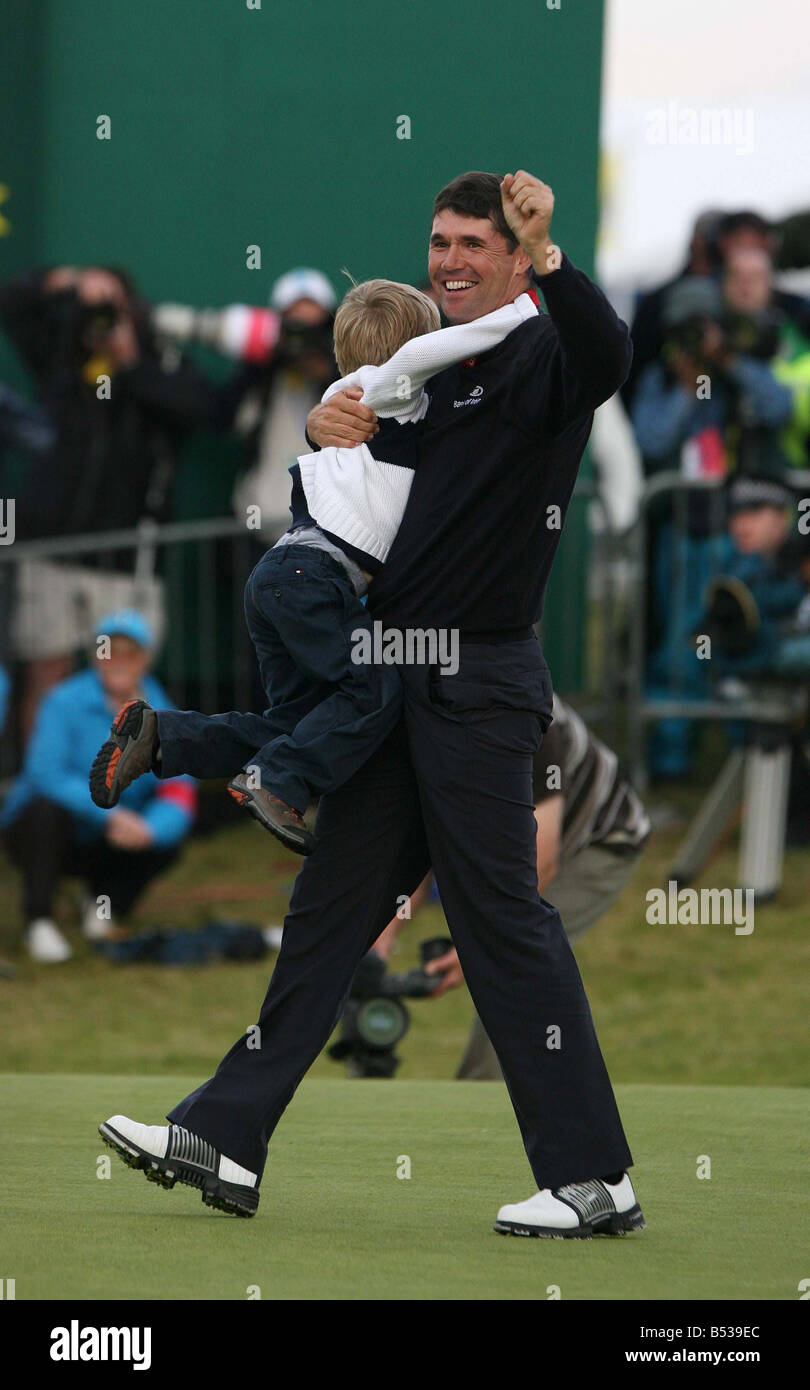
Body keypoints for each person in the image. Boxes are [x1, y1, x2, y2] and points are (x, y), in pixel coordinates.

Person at [96, 169, 644, 1241]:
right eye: (439, 243)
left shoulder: (541, 353)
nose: (449, 261)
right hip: (395, 681)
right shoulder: (423, 373)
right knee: (330, 919)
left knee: (502, 923)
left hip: (479, 685)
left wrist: (553, 255)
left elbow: (610, 356)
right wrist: (329, 418)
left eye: (473, 244)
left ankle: (594, 1178)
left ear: (514, 251)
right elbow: (368, 484)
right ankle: (226, 1135)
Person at [89, 279, 540, 853]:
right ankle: (279, 781)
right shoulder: (387, 393)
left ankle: (166, 737)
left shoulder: (341, 397)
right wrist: (524, 312)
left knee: (300, 722)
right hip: (312, 581)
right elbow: (435, 352)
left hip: (279, 577)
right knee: (376, 690)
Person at [371, 696, 651, 1080]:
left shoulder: (526, 712)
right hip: (515, 834)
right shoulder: (415, 715)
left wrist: (480, 946)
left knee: (514, 959)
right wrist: (380, 941)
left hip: (599, 840)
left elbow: (540, 859)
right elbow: (418, 844)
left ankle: (482, 1104)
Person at [0, 265, 212, 734]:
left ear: (132, 310)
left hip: (125, 558)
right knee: (45, 672)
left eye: (110, 305)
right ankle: (46, 794)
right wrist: (64, 282)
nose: (98, 315)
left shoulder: (159, 362)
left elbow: (205, 408)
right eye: (89, 305)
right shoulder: (60, 354)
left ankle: (119, 788)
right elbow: (14, 303)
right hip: (53, 549)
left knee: (124, 679)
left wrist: (130, 363)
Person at [0, 611, 196, 963]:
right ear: (96, 657)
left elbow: (179, 788)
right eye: (109, 653)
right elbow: (44, 772)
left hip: (112, 838)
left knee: (167, 837)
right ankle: (39, 919)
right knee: (45, 811)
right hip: (51, 832)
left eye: (130, 654)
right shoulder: (64, 701)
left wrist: (151, 830)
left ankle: (103, 906)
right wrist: (109, 815)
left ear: (146, 660)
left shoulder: (162, 713)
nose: (118, 662)